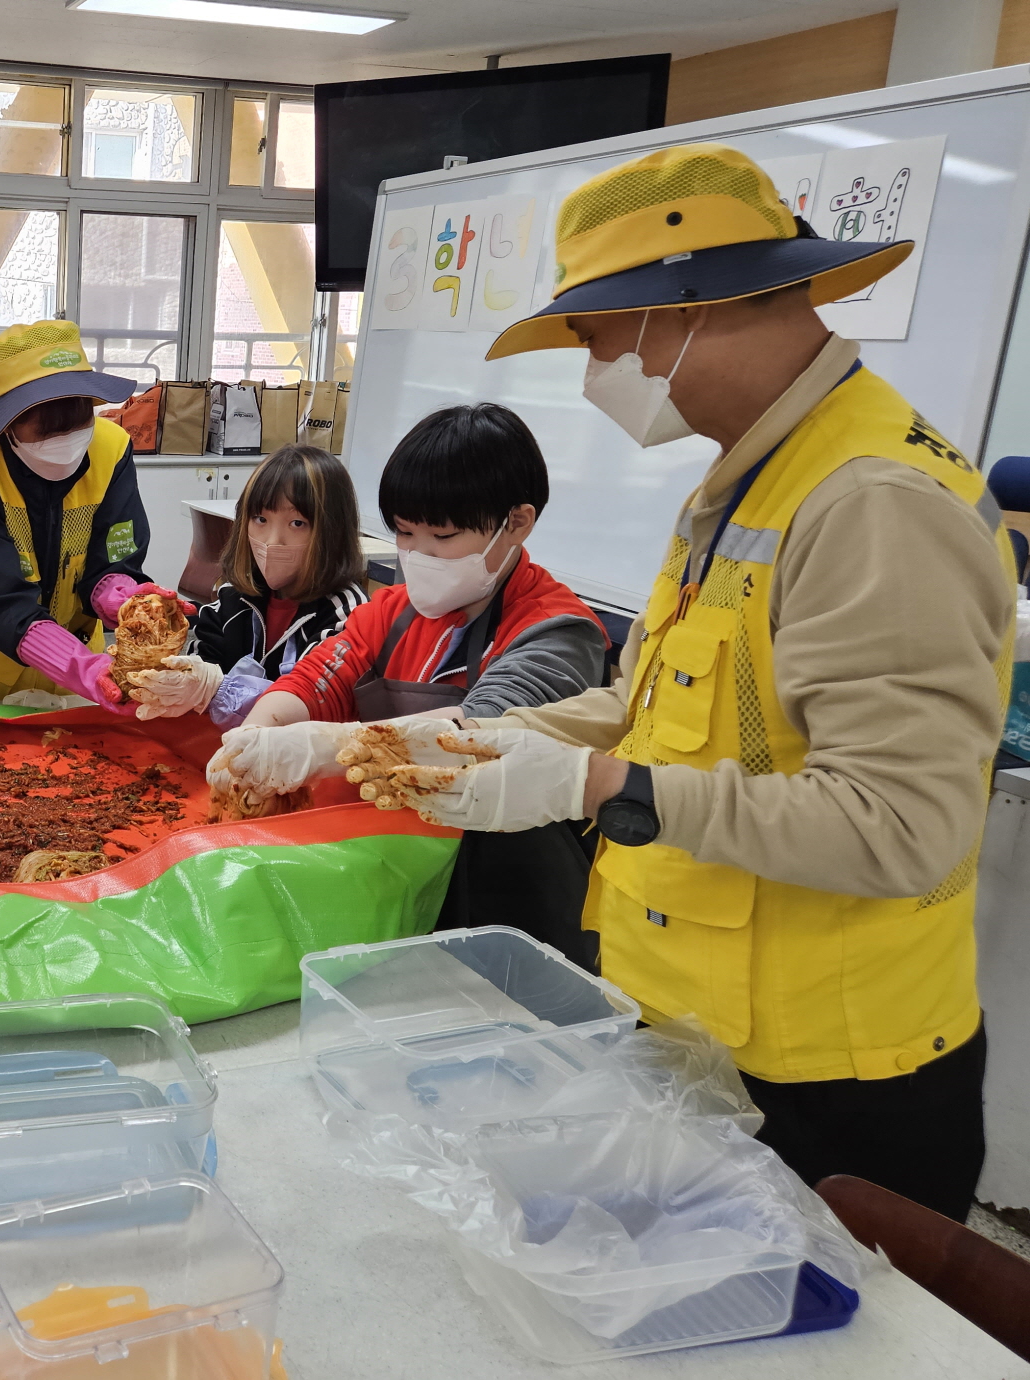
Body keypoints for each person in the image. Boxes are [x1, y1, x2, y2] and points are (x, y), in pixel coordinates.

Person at [351, 144, 1013, 1221]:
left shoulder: (868, 502)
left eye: (601, 337)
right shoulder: (744, 477)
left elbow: (901, 825)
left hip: (831, 1081)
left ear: (685, 306)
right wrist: (476, 739)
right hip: (701, 1035)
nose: (592, 371)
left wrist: (599, 789)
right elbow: (650, 702)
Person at [205, 405, 608, 962]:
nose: (418, 555)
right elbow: (318, 678)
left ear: (517, 522)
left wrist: (321, 748)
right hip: (399, 888)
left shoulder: (557, 632)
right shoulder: (390, 612)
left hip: (507, 907)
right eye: (404, 533)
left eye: (441, 536)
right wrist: (259, 734)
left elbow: (482, 737)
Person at [0, 319, 184, 710]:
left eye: (78, 420)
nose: (65, 440)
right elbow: (0, 601)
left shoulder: (111, 448)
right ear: (7, 422)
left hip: (83, 657)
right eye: (46, 428)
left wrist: (128, 603)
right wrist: (78, 667)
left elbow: (113, 552)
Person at [126, 444, 369, 728]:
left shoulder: (349, 616)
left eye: (297, 523)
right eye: (261, 519)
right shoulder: (233, 596)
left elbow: (314, 704)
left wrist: (217, 688)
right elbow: (200, 667)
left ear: (332, 531)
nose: (273, 541)